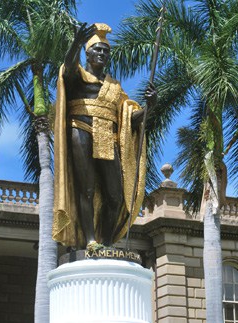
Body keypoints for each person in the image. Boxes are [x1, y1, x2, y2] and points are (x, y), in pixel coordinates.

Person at [53, 23, 156, 249]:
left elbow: (131, 119)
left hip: (107, 137)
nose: (101, 53)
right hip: (79, 129)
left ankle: (107, 242)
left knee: (115, 196)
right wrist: (76, 43)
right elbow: (67, 68)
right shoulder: (78, 76)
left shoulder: (114, 87)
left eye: (105, 51)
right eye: (97, 49)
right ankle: (90, 241)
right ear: (87, 53)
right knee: (87, 189)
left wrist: (150, 106)